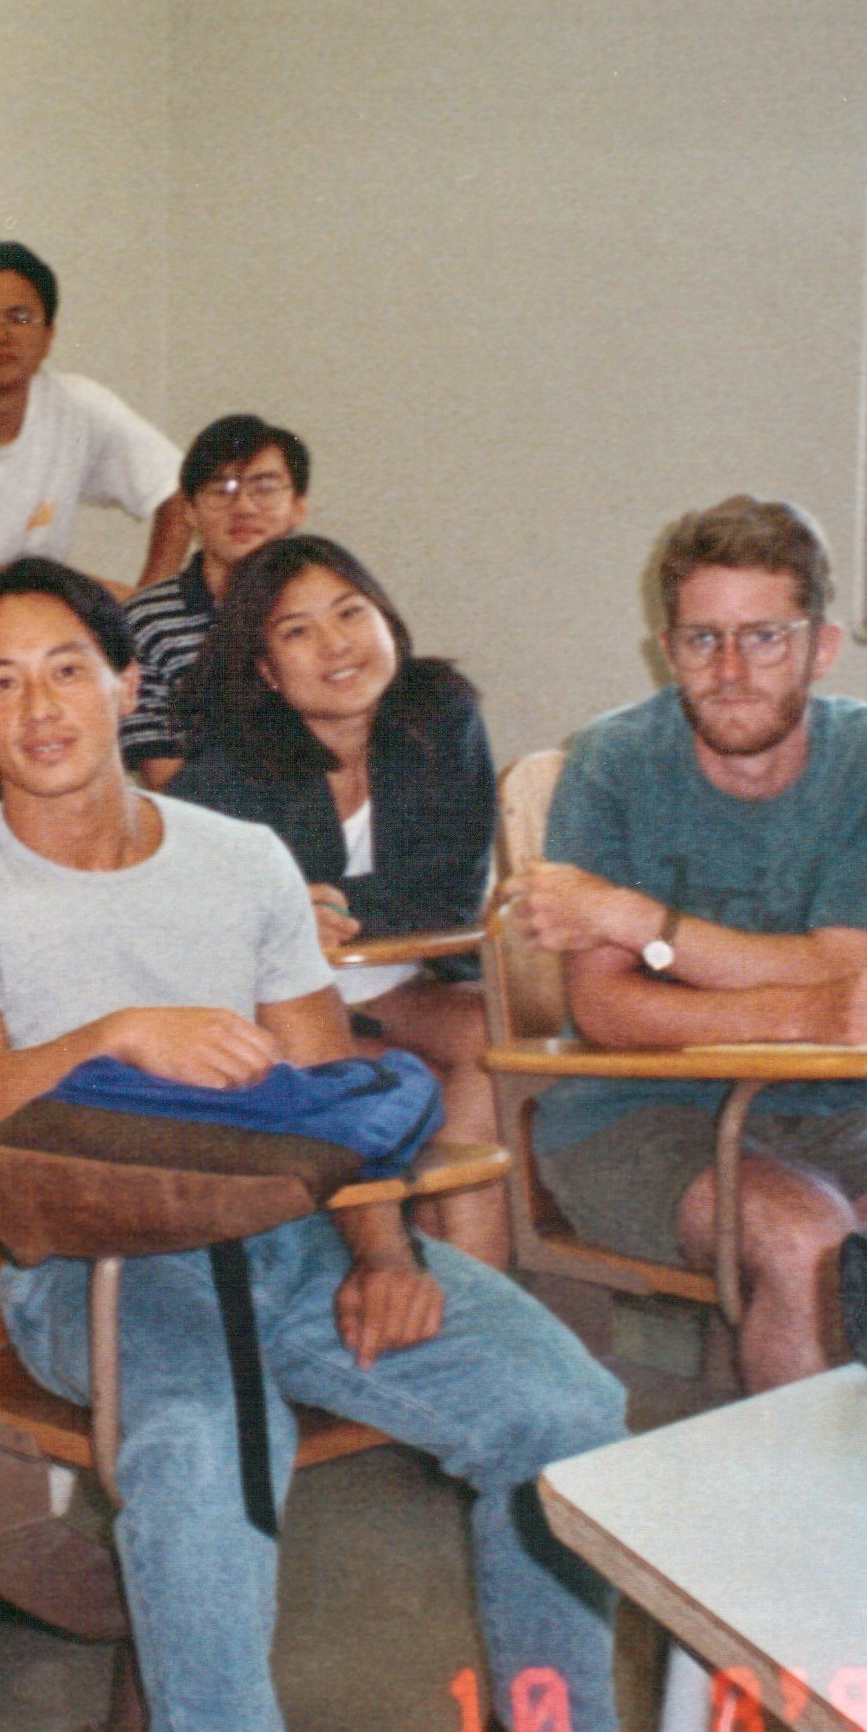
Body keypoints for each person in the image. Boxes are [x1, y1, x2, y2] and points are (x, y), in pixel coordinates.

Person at [0, 559, 642, 1732]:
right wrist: (115, 1033)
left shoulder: (237, 860)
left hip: (293, 1237)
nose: (38, 704)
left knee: (563, 1403)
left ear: (124, 681)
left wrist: (388, 1256)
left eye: (64, 665)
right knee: (203, 1446)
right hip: (94, 1267)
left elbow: (328, 1092)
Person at [507, 495, 867, 1390]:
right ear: (666, 649)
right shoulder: (613, 761)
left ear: (821, 646)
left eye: (764, 637)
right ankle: (794, 1525)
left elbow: (847, 966)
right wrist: (809, 1006)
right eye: (701, 640)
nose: (731, 669)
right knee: (805, 1240)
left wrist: (640, 921)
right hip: (628, 1117)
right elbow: (606, 1009)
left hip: (822, 1106)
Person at [165, 534, 508, 1266]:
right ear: (266, 670)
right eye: (297, 630)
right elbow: (200, 921)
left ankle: (462, 1276)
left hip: (412, 976)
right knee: (381, 1075)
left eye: (350, 612)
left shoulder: (438, 711)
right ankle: (434, 1271)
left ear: (385, 618)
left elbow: (449, 890)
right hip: (293, 1004)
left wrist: (314, 905)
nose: (335, 645)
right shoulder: (224, 771)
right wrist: (288, 920)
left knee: (493, 1038)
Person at [0, 241, 190, 588]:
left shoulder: (78, 406)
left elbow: (179, 488)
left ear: (48, 336)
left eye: (19, 317)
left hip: (41, 619)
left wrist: (152, 605)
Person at [119, 414, 311, 784]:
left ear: (298, 508)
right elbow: (165, 776)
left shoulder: (327, 608)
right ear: (189, 510)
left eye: (265, 488)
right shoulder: (145, 620)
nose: (243, 507)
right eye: (221, 489)